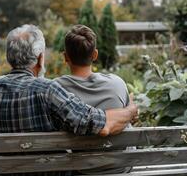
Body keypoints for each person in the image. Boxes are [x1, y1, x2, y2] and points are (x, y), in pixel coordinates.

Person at [0, 24, 138, 176]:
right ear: (40, 58)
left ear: (8, 56)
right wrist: (129, 111)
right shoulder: (47, 89)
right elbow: (97, 124)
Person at [55, 24, 133, 174]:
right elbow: (130, 119)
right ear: (95, 55)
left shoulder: (56, 89)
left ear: (65, 57)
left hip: (82, 170)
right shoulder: (117, 83)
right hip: (120, 169)